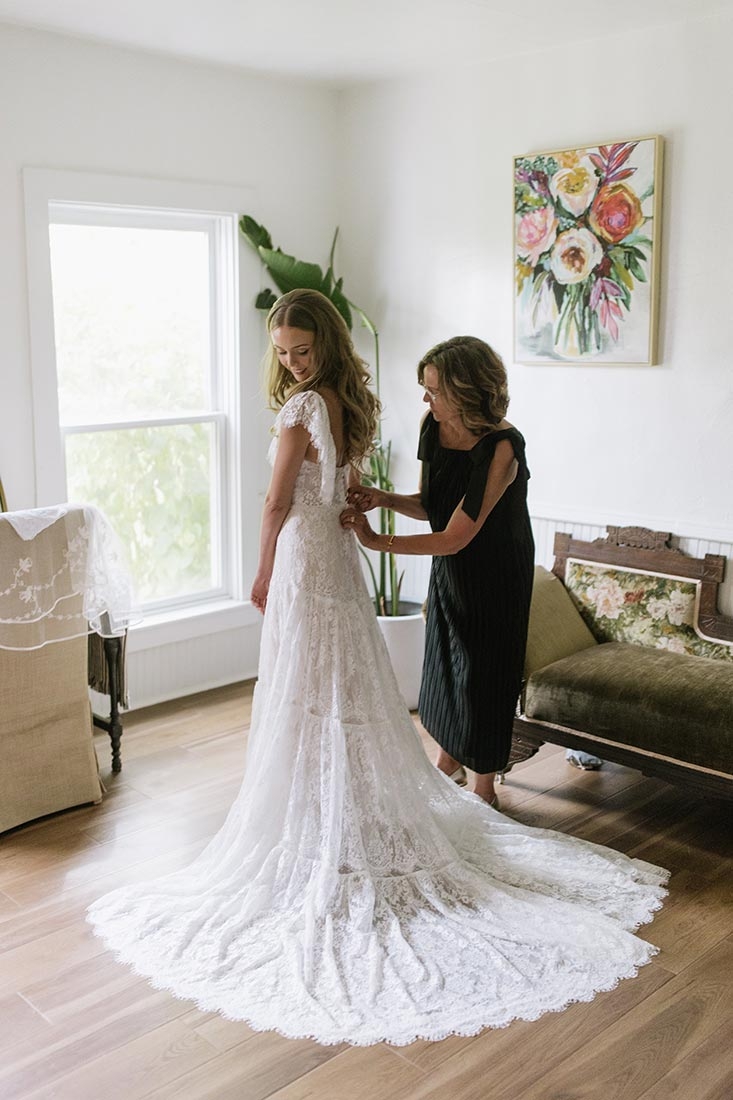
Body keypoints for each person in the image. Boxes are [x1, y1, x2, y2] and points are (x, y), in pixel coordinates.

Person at [87, 294, 668, 1047]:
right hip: (351, 553)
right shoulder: (360, 407)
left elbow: (294, 505)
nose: (291, 363)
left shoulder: (354, 418)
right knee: (369, 674)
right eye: (282, 352)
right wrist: (371, 512)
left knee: (370, 676)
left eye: (301, 350)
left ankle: (435, 790)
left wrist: (282, 564)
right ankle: (387, 789)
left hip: (393, 558)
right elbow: (408, 498)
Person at [343, 336, 533, 809]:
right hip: (451, 562)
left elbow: (456, 536)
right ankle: (448, 761)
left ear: (466, 392)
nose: (426, 400)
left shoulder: (502, 447)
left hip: (496, 568)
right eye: (425, 389)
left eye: (434, 391)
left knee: (484, 672)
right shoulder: (433, 425)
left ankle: (484, 788)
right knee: (446, 659)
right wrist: (384, 498)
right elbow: (434, 507)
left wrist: (376, 541)